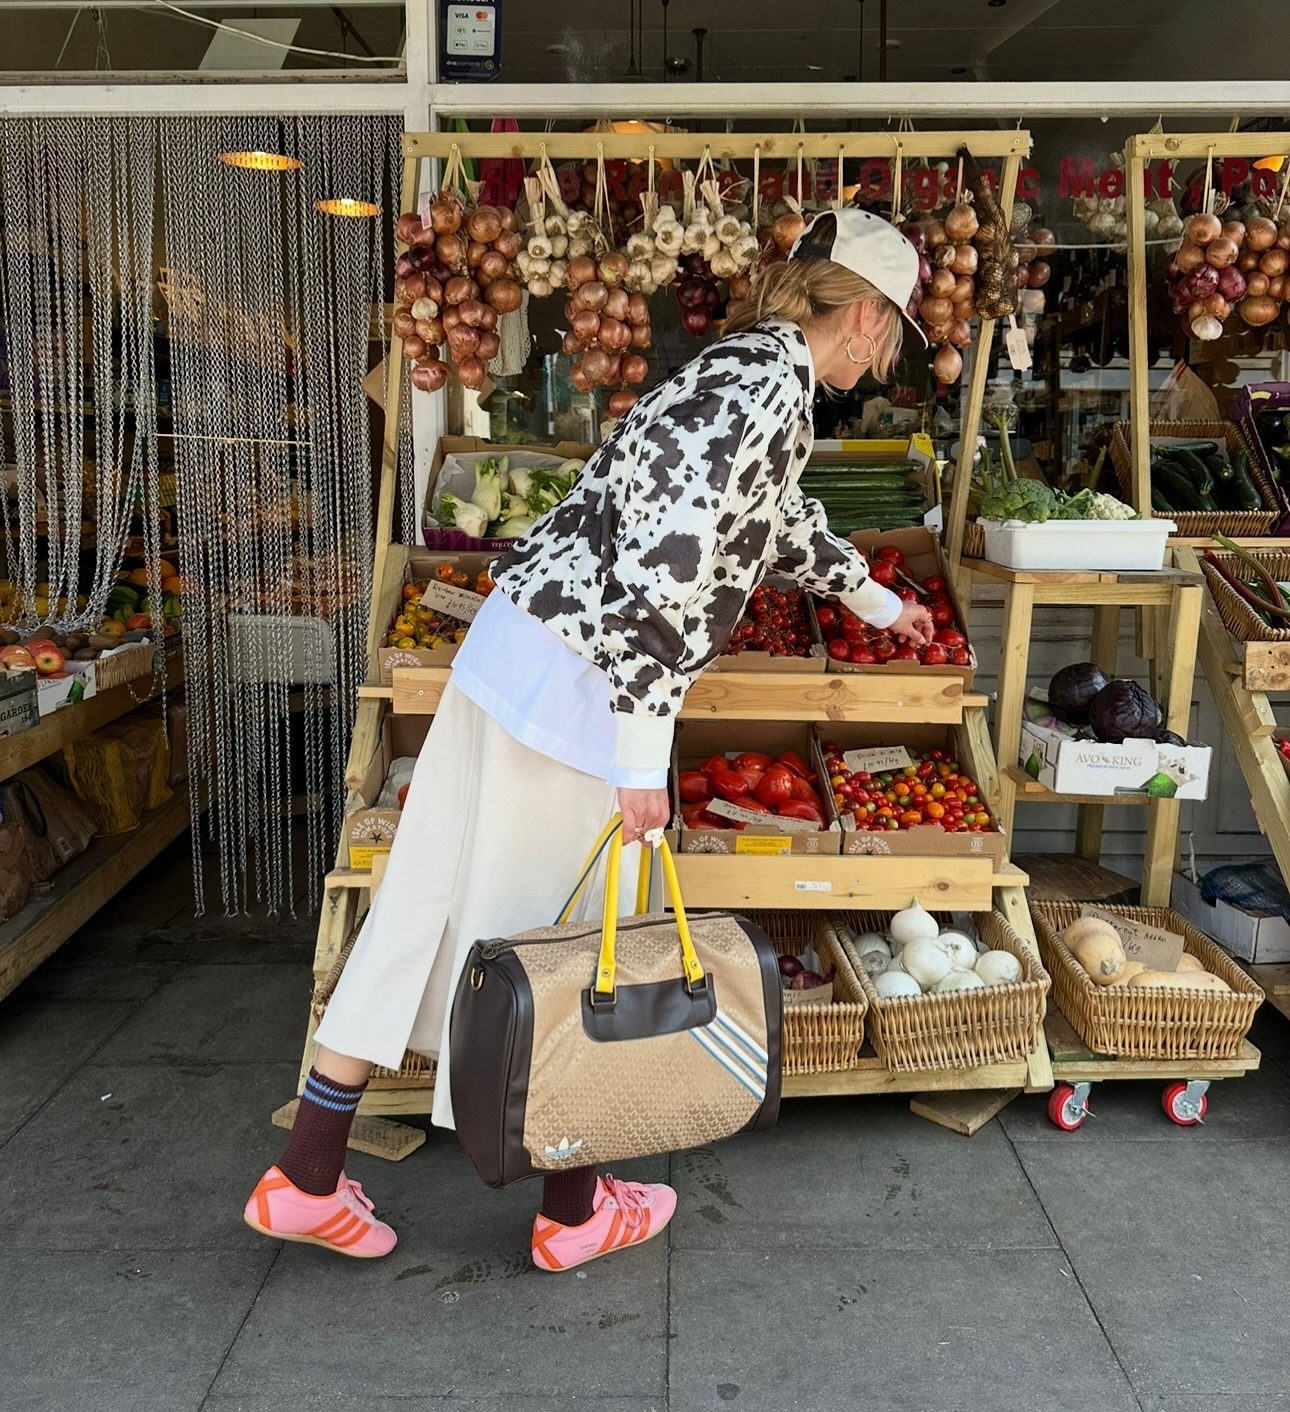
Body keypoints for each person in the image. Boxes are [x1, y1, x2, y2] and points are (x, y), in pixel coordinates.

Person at [243, 208, 935, 1271]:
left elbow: (769, 517)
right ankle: (573, 1208)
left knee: (426, 903)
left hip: (516, 656)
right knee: (580, 938)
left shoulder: (743, 370)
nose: (887, 355)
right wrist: (641, 747)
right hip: (581, 691)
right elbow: (670, 563)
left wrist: (880, 608)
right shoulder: (765, 388)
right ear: (868, 318)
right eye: (893, 334)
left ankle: (306, 1173)